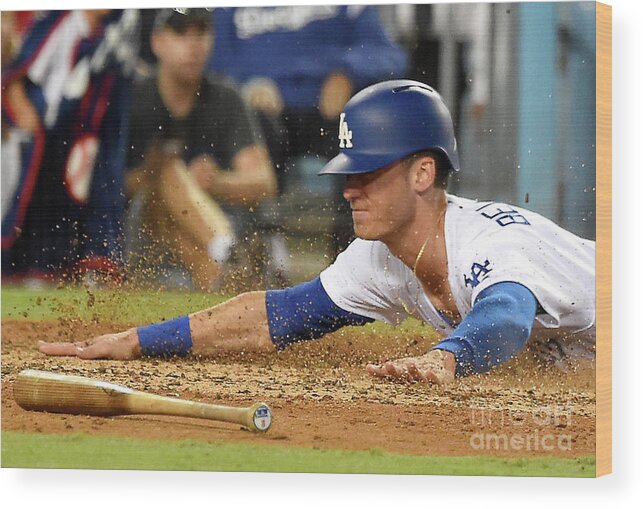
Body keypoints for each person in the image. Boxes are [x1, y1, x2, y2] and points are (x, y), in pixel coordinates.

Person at [38, 80, 596, 384]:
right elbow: (272, 317)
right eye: (349, 173)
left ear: (423, 173)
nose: (350, 189)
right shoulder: (380, 256)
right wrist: (135, 342)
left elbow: (507, 315)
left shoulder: (489, 244)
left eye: (369, 172)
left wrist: (445, 357)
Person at [209, 5, 408, 255]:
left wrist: (347, 72)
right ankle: (254, 249)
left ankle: (352, 254)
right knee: (250, 130)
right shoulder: (228, 9)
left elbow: (388, 54)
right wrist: (246, 85)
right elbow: (210, 59)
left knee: (360, 136)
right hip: (262, 111)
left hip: (331, 110)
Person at [124, 8, 277, 290]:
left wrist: (217, 181)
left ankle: (224, 275)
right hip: (147, 229)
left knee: (174, 184)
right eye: (181, 33)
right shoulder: (134, 99)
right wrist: (163, 178)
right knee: (169, 174)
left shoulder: (226, 97)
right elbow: (116, 184)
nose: (193, 45)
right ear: (157, 42)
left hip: (211, 223)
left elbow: (264, 182)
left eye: (202, 33)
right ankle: (228, 252)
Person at [2, 9, 140, 285]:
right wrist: (26, 113)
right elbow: (17, 75)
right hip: (36, 137)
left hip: (80, 139)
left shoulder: (118, 32)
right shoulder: (57, 21)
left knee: (87, 193)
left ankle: (81, 270)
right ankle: (25, 269)